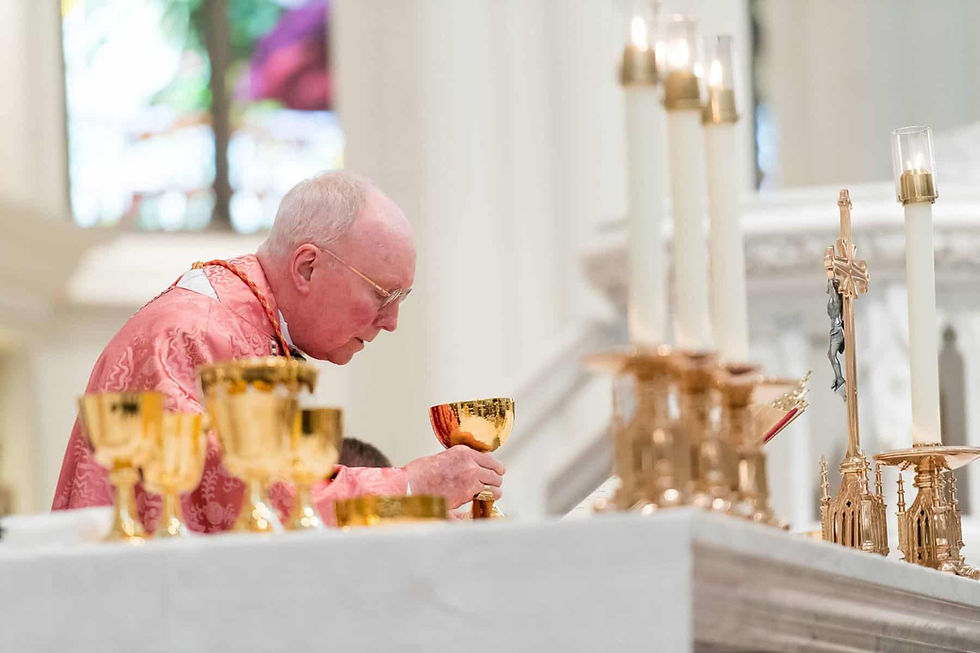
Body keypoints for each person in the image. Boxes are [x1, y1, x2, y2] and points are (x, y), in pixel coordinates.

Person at [53, 171, 505, 532]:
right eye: (382, 296)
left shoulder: (249, 330)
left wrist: (422, 510)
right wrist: (413, 489)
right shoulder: (190, 336)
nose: (391, 322)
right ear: (307, 266)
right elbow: (255, 504)